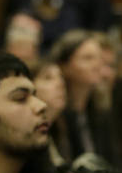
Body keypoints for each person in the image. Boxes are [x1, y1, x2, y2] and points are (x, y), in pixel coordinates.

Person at [49, 29, 116, 165]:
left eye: (99, 59)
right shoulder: (54, 113)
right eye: (87, 58)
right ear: (63, 66)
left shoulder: (101, 111)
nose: (97, 65)